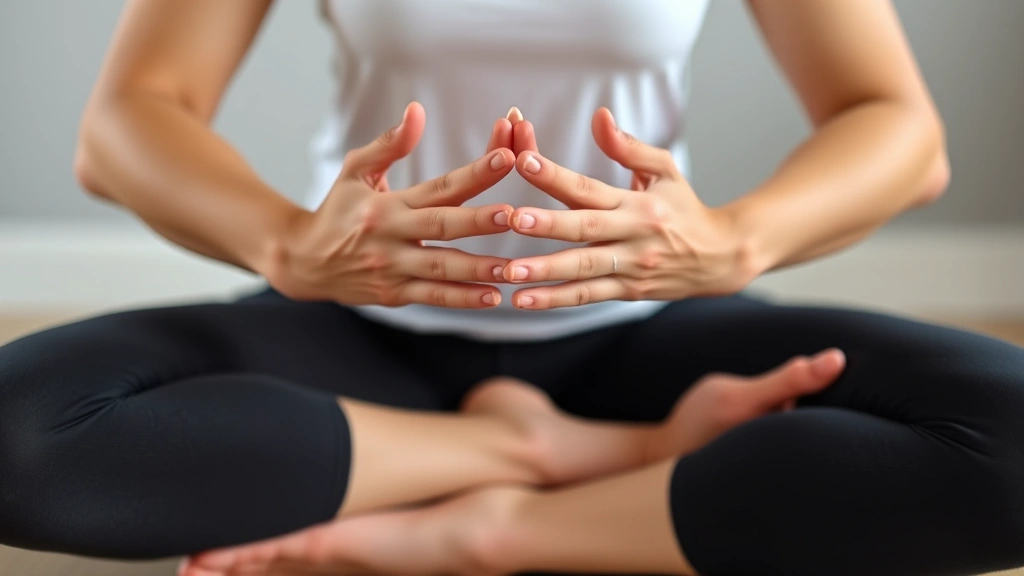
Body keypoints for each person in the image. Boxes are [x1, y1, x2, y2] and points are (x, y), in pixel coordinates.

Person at [1, 1, 1023, 575]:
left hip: (648, 332)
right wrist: (281, 244)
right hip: (359, 333)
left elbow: (896, 124)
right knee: (20, 433)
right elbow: (131, 116)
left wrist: (736, 242)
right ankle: (547, 450)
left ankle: (495, 527)